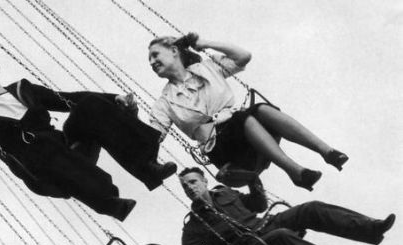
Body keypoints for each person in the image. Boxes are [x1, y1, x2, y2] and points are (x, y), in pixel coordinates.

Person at [0, 39, 177, 221]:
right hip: (43, 172)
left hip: (71, 151)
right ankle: (106, 201)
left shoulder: (23, 89)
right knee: (43, 146)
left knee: (88, 104)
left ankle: (148, 167)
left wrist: (113, 98)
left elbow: (68, 100)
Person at [148, 33, 349, 191]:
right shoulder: (164, 103)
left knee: (261, 109)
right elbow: (152, 135)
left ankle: (327, 152)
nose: (152, 62)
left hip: (249, 136)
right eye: (150, 60)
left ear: (174, 50)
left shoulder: (206, 68)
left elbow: (243, 57)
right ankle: (294, 170)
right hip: (226, 154)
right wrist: (128, 113)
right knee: (242, 117)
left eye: (155, 54)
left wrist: (205, 43)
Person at [135, 167, 395, 245]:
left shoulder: (224, 192)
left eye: (192, 182)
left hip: (266, 225)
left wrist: (254, 184)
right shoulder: (194, 225)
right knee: (281, 235)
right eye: (184, 186)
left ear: (203, 181)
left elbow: (258, 206)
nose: (189, 188)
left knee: (310, 208)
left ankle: (371, 229)